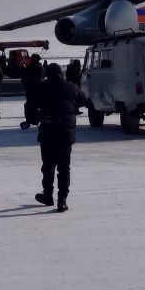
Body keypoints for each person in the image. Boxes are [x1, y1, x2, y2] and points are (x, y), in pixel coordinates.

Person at [33, 62, 88, 213]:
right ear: (60, 73)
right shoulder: (71, 86)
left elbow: (32, 104)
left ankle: (48, 195)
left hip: (48, 132)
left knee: (48, 166)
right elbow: (83, 100)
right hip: (65, 133)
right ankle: (62, 201)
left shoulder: (42, 87)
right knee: (64, 167)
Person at [19, 54, 46, 131]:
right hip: (39, 91)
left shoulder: (29, 68)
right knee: (39, 106)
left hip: (30, 91)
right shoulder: (41, 68)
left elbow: (24, 78)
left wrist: (22, 69)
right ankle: (38, 120)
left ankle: (30, 120)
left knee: (29, 106)